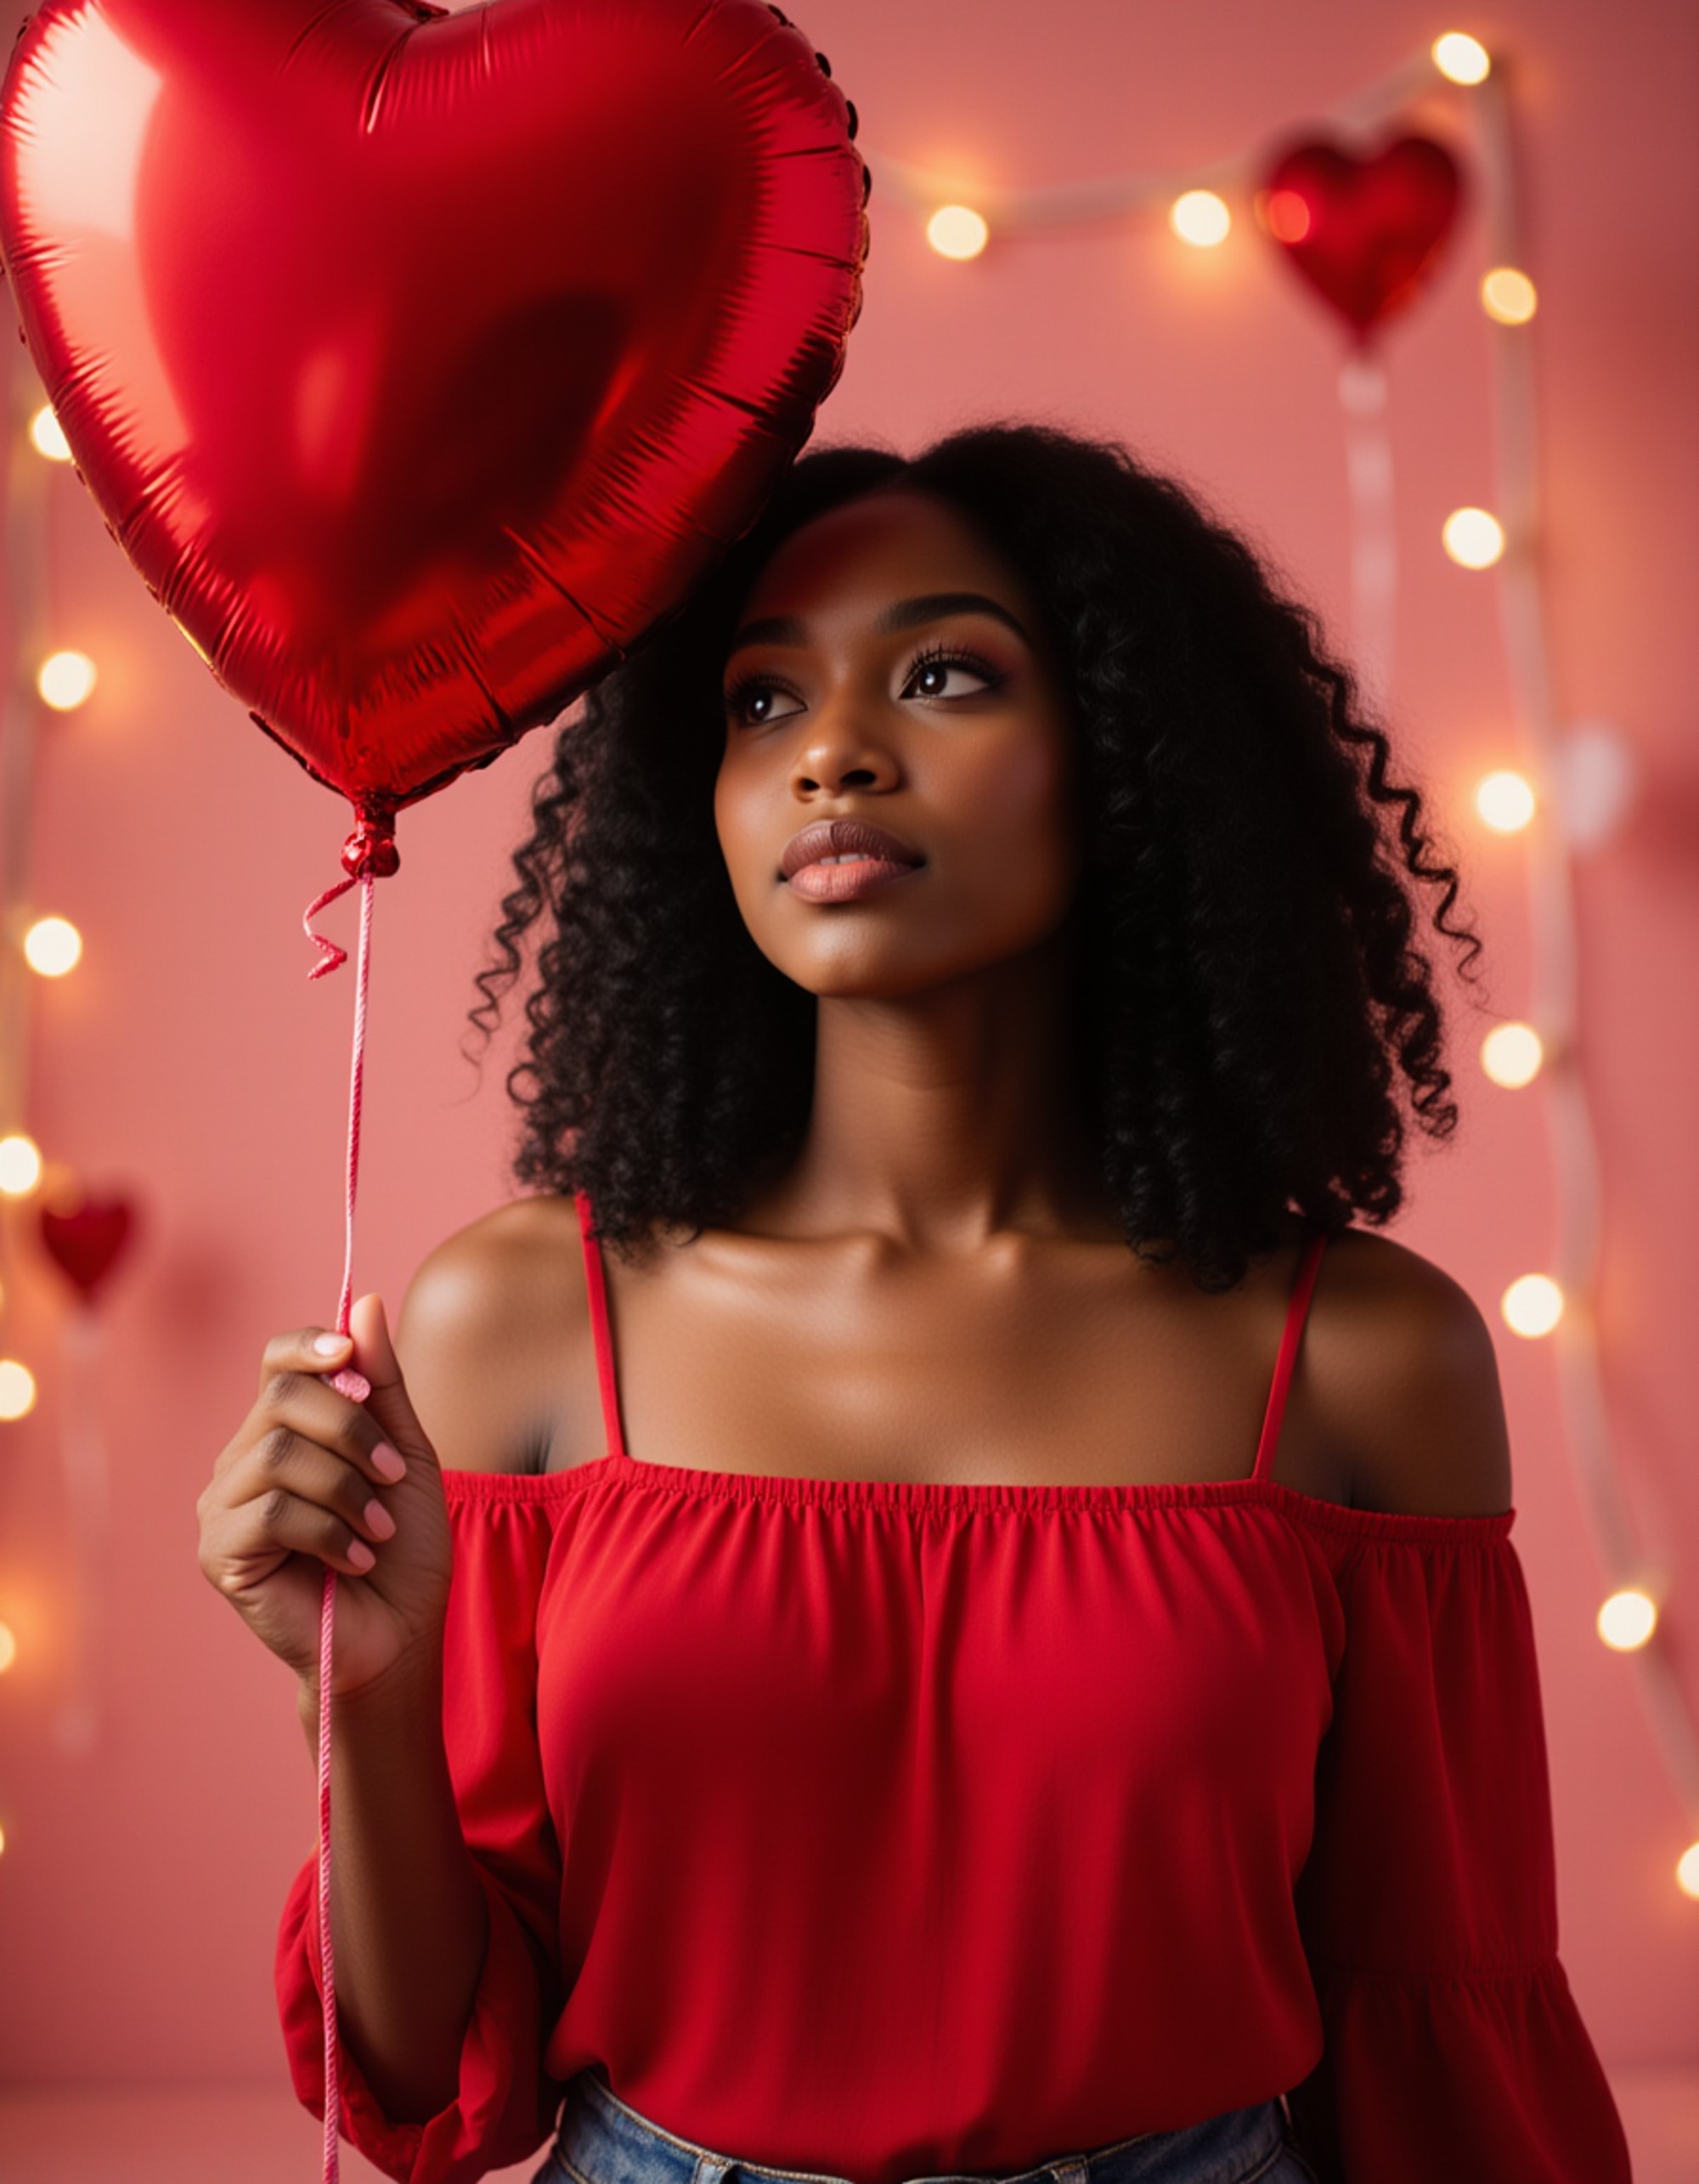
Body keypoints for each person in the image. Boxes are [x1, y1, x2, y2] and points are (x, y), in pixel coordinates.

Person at [197, 421, 1632, 2184]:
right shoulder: (521, 1318)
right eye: (762, 703)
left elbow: (1437, 2025)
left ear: (1122, 755)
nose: (835, 760)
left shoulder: (1361, 1355)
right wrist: (361, 1695)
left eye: (943, 674)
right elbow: (425, 2070)